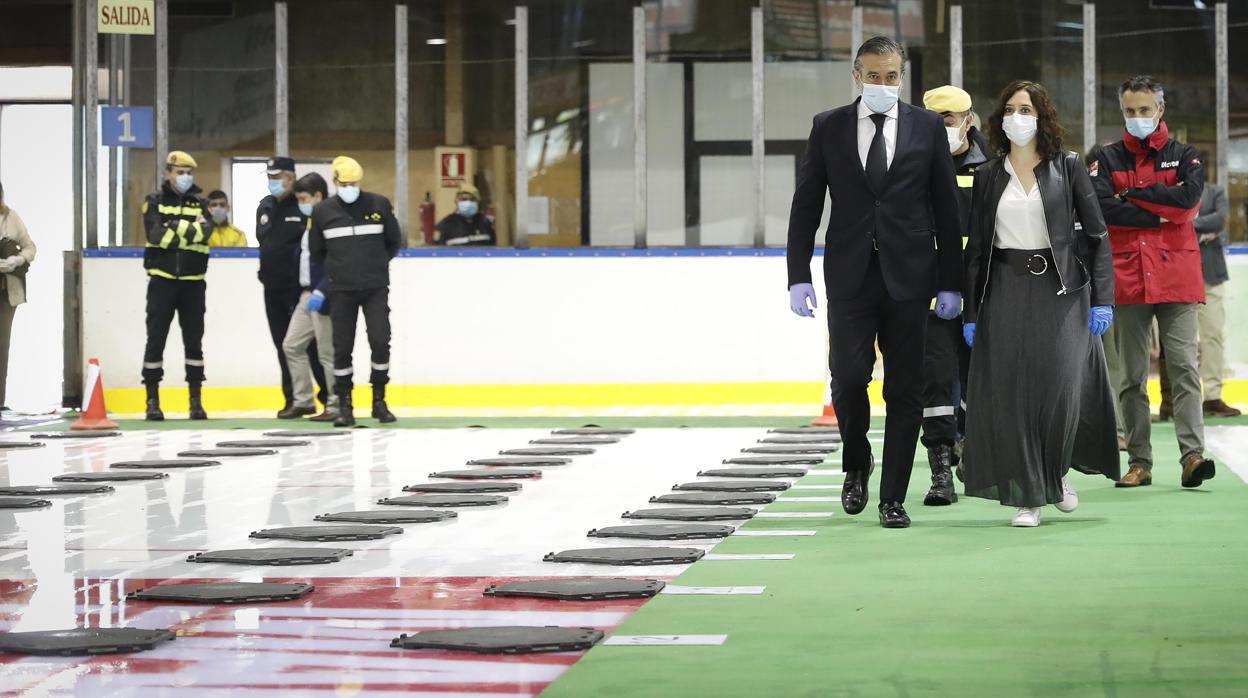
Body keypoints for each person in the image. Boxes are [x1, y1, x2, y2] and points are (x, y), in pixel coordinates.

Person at [786, 36, 963, 529]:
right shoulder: (829, 127)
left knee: (905, 390)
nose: (883, 84)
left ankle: (893, 498)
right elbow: (807, 205)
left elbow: (947, 210)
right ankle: (856, 461)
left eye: (892, 76)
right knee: (847, 378)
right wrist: (797, 274)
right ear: (856, 76)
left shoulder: (927, 127)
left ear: (901, 77)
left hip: (911, 277)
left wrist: (951, 282)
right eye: (874, 75)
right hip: (849, 275)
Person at [961, 80, 1120, 527]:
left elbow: (1098, 237)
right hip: (1006, 290)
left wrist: (1101, 299)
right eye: (1010, 109)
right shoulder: (989, 175)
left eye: (1026, 109)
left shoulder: (1068, 168)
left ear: (1042, 117)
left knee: (1059, 390)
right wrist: (973, 312)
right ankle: (1028, 495)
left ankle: (1056, 473)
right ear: (999, 120)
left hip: (1063, 291)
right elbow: (976, 251)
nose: (1017, 117)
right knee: (1014, 392)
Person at [1091, 75, 1216, 489]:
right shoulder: (1106, 158)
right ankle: (1140, 461)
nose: (1137, 117)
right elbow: (1103, 209)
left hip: (1176, 276)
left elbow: (1188, 203)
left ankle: (1192, 456)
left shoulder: (1186, 155)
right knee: (1129, 377)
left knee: (1182, 368)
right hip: (1128, 279)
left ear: (1160, 110)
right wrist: (1160, 208)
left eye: (1145, 110)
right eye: (1130, 111)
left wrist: (1131, 196)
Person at [917, 85, 988, 506]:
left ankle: (974, 454)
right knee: (937, 385)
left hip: (981, 298)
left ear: (968, 120)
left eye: (950, 119)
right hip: (932, 297)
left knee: (980, 384)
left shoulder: (992, 170)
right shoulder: (912, 168)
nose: (943, 126)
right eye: (936, 119)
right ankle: (940, 468)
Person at [308, 156, 402, 427]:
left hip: (374, 287)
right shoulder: (323, 211)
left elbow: (393, 241)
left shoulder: (378, 204)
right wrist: (336, 273)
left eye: (354, 183)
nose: (349, 187)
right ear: (335, 182)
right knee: (342, 348)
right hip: (341, 290)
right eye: (344, 183)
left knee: (380, 340)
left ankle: (379, 400)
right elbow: (317, 251)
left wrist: (375, 266)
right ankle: (345, 405)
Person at [141, 151, 211, 421]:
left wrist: (174, 226)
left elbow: (204, 236)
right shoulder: (154, 201)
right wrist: (189, 230)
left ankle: (195, 401)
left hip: (193, 284)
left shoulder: (200, 203)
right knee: (155, 341)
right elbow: (156, 235)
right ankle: (152, 400)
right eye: (179, 172)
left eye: (188, 172)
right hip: (162, 281)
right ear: (168, 172)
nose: (185, 177)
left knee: (194, 343)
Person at [256, 156, 328, 417]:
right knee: (285, 345)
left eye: (278, 177)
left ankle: (330, 398)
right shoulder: (265, 206)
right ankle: (295, 399)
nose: (273, 183)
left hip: (299, 288)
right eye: (270, 177)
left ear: (291, 176)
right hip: (272, 287)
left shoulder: (303, 206)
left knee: (315, 346)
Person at [279, 172, 338, 422]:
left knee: (327, 353)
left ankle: (337, 403)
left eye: (304, 198)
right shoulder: (310, 224)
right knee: (291, 345)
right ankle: (303, 400)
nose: (301, 204)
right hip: (306, 294)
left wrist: (322, 290)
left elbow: (337, 262)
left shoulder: (332, 222)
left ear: (318, 196)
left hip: (324, 294)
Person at [1193, 175, 1239, 417]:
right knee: (1179, 344)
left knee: (1213, 337)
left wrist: (1188, 224)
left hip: (1212, 276)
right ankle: (1178, 402)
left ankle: (1212, 397)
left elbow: (1220, 219)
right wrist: (1204, 229)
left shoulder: (1216, 192)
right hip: (1180, 275)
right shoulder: (1173, 191)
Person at [0, 181, 37, 415]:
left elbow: (30, 247)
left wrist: (18, 260)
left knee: (2, 346)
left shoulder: (11, 217)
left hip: (6, 292)